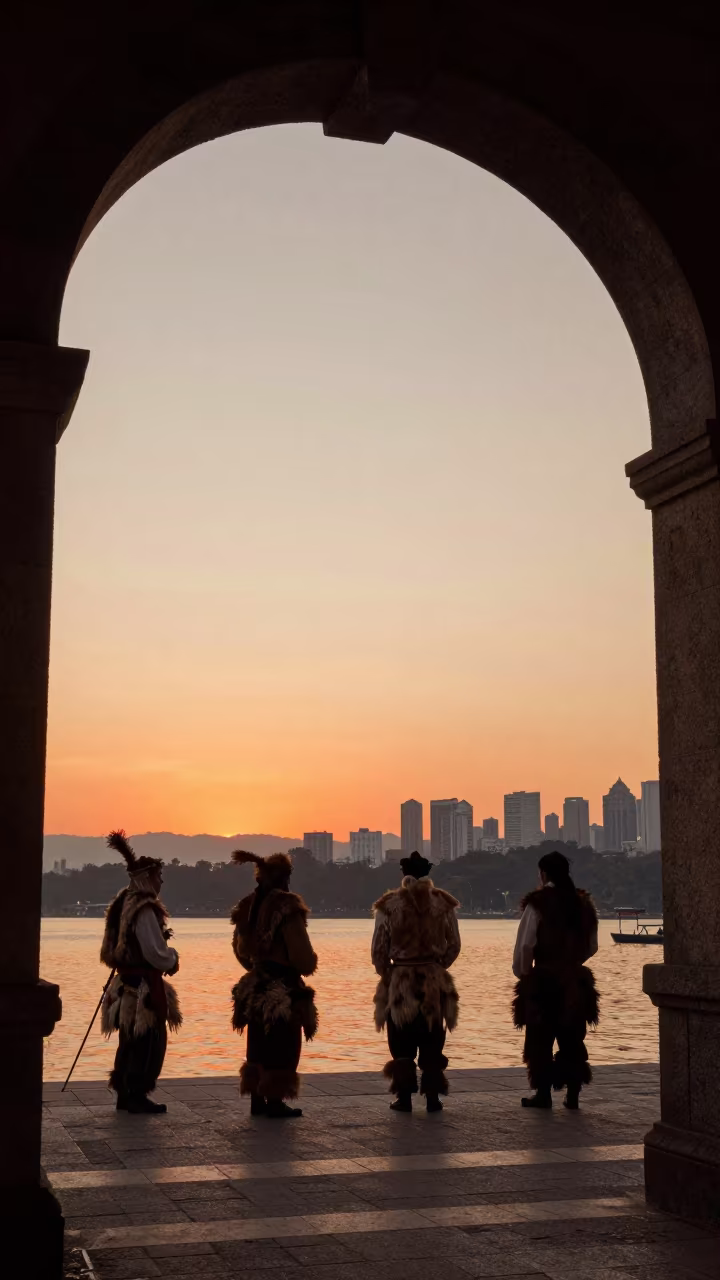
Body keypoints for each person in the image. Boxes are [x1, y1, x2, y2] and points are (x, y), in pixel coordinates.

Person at [230, 849, 318, 1118]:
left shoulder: (247, 906)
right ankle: (276, 1102)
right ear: (284, 878)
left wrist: (256, 968)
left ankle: (258, 1100)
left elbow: (239, 949)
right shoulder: (288, 906)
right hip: (282, 987)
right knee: (284, 1044)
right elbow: (301, 956)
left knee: (258, 1042)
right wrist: (305, 964)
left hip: (256, 985)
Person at [371, 850, 461, 1113]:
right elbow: (454, 944)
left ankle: (404, 1097)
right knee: (433, 1037)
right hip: (433, 980)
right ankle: (433, 1097)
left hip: (401, 979)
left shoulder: (388, 905)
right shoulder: (443, 904)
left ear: (403, 874)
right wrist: (437, 966)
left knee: (401, 1041)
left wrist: (389, 974)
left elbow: (378, 949)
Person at [100, 830, 181, 1114]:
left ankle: (127, 1094)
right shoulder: (144, 908)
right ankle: (135, 1094)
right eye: (159, 876)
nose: (161, 882)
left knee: (129, 1041)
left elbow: (111, 948)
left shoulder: (122, 903)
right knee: (147, 1041)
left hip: (125, 984)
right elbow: (155, 953)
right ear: (148, 877)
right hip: (141, 988)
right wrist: (172, 959)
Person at [512, 850, 599, 1110]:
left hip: (544, 982)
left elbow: (525, 945)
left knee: (540, 1039)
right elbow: (592, 946)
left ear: (543, 873)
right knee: (573, 1037)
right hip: (574, 981)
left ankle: (543, 1094)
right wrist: (573, 964)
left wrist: (524, 974)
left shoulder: (537, 903)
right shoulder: (583, 903)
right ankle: (573, 1094)